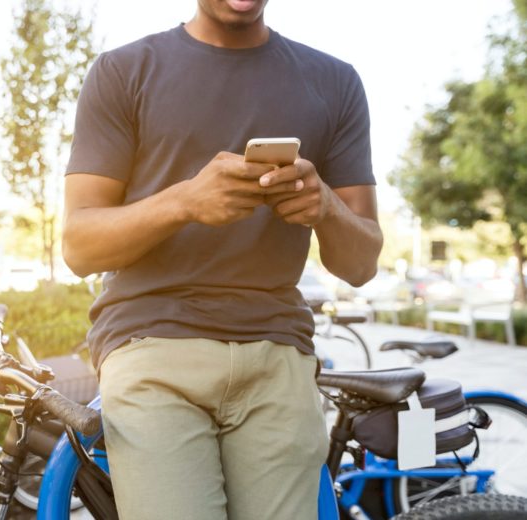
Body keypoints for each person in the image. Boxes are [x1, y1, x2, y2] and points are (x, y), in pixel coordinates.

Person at [61, 0, 383, 518]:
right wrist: (184, 202)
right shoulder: (123, 71)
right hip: (153, 346)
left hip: (277, 354)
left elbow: (361, 264)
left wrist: (325, 207)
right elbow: (79, 246)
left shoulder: (334, 81)